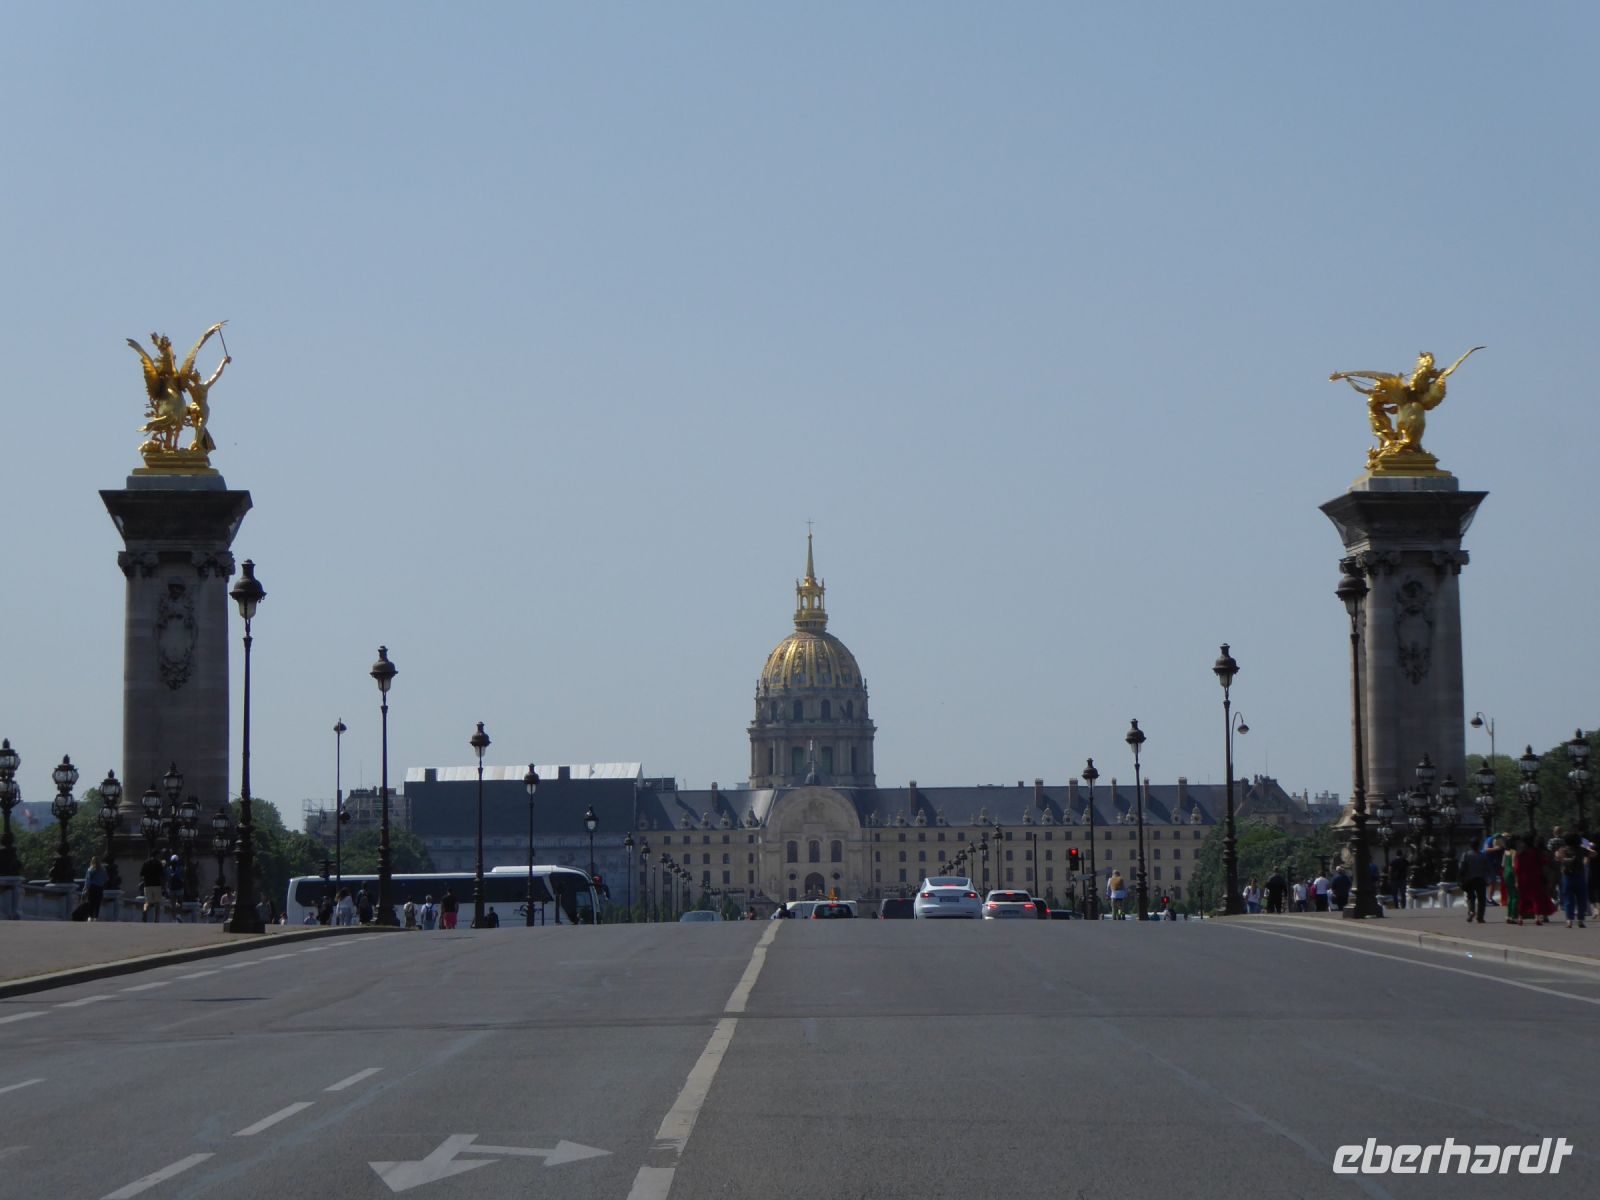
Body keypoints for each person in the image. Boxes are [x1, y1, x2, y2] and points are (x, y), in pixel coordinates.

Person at [1514, 836, 1556, 925]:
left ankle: (1520, 918)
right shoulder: (1535, 852)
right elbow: (1543, 862)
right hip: (1535, 878)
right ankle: (1537, 918)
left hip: (1522, 879)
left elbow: (1517, 869)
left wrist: (1516, 880)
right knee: (1536, 899)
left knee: (1522, 899)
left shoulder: (1520, 853)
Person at [1554, 833, 1593, 929]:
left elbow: (1557, 857)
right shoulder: (1581, 850)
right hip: (1580, 877)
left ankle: (1569, 920)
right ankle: (1580, 920)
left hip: (1567, 877)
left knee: (1568, 900)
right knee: (1581, 899)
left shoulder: (1563, 849)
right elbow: (1593, 853)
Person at [1457, 842, 1491, 924]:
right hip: (1480, 879)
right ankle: (1480, 917)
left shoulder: (1465, 855)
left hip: (1469, 879)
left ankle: (1471, 911)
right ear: (1478, 846)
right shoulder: (1483, 855)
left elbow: (1461, 867)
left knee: (1470, 897)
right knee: (1481, 899)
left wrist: (1460, 878)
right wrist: (1488, 879)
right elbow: (1487, 868)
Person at [81, 856, 108, 921]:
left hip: (92, 888)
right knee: (97, 903)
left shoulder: (90, 869)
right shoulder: (103, 870)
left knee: (91, 902)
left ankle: (90, 916)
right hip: (99, 888)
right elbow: (106, 879)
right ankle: (96, 917)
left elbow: (88, 880)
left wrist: (85, 888)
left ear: (92, 861)